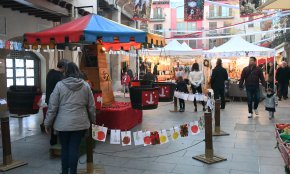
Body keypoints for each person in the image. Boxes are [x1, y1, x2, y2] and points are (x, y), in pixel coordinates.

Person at [44, 62, 96, 174]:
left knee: (65, 148)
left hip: (63, 124)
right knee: (74, 149)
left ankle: (64, 172)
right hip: (80, 123)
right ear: (77, 71)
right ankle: (73, 172)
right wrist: (93, 120)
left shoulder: (59, 85)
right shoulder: (85, 86)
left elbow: (53, 107)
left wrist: (47, 123)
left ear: (65, 72)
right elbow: (91, 106)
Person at [43, 59, 68, 144]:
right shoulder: (59, 76)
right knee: (57, 119)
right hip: (56, 100)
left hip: (49, 99)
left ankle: (53, 139)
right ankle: (56, 139)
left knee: (53, 118)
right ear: (63, 67)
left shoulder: (50, 72)